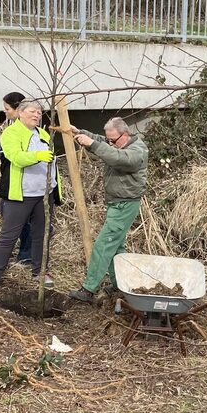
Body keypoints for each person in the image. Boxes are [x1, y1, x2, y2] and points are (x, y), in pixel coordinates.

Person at [0, 100, 64, 299]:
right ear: (21, 113)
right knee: (8, 237)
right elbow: (15, 157)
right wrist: (38, 155)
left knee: (41, 234)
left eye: (40, 112)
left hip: (44, 194)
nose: (37, 115)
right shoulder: (11, 134)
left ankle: (40, 272)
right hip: (21, 195)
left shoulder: (42, 134)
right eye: (33, 112)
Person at [66, 117, 149, 303]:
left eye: (113, 140)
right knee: (116, 247)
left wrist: (93, 145)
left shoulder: (137, 150)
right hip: (117, 203)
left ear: (125, 134)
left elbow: (119, 159)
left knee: (104, 245)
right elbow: (102, 142)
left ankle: (89, 289)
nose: (110, 143)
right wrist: (79, 133)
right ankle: (119, 284)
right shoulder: (116, 143)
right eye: (108, 140)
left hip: (125, 205)